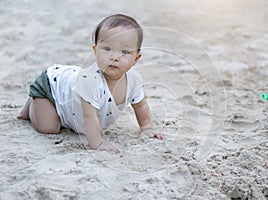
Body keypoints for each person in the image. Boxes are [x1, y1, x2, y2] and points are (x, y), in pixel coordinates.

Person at [17, 14, 164, 153]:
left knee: (59, 120)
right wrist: (98, 143)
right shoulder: (90, 81)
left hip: (68, 98)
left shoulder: (133, 80)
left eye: (124, 51)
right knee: (49, 127)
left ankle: (40, 106)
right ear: (95, 50)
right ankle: (34, 102)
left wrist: (146, 128)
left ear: (136, 58)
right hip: (52, 88)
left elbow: (141, 105)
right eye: (107, 49)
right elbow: (89, 117)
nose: (114, 57)